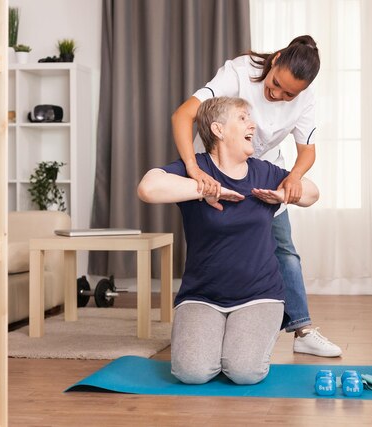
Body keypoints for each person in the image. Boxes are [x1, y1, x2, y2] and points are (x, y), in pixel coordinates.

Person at [171, 35, 341, 357]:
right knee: (213, 244)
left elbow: (307, 150)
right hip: (214, 171)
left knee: (284, 251)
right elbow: (183, 115)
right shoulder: (238, 73)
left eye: (288, 94)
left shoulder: (304, 98)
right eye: (276, 84)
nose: (277, 95)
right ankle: (208, 315)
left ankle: (301, 328)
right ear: (275, 60)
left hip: (261, 173)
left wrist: (293, 177)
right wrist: (194, 170)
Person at [138, 97, 320, 384]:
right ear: (218, 129)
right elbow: (148, 187)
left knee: (244, 372)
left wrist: (285, 194)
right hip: (202, 295)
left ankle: (237, 342)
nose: (253, 124)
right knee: (191, 373)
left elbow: (311, 192)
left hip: (260, 295)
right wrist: (206, 189)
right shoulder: (197, 169)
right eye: (243, 118)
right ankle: (221, 340)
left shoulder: (263, 171)